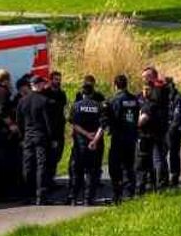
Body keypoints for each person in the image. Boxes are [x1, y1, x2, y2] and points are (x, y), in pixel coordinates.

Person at [13, 74, 58, 204]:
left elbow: (19, 121)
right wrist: (53, 138)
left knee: (27, 165)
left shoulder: (22, 101)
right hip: (41, 137)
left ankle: (27, 194)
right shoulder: (44, 101)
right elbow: (48, 122)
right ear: (39, 85)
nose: (44, 85)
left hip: (28, 136)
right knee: (41, 165)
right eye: (42, 83)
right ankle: (41, 195)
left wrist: (22, 136)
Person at [67, 75, 106, 205]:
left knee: (76, 171)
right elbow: (102, 126)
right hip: (94, 144)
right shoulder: (99, 106)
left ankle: (73, 198)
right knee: (91, 171)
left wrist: (86, 134)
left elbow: (74, 124)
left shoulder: (76, 106)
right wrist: (94, 140)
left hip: (80, 144)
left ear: (82, 94)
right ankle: (88, 199)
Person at [136, 67, 173, 193]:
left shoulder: (158, 91)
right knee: (154, 158)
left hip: (155, 130)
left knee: (157, 158)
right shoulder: (158, 90)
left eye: (145, 77)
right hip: (152, 131)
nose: (143, 80)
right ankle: (155, 183)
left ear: (152, 76)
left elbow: (148, 112)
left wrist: (136, 124)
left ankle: (160, 185)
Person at [105, 74, 140, 202]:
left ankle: (117, 194)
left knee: (115, 166)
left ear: (115, 85)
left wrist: (108, 128)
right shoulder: (134, 99)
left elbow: (111, 119)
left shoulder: (114, 100)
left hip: (118, 138)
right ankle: (129, 193)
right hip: (131, 137)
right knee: (129, 166)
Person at [43, 71, 69, 199]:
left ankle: (51, 180)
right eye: (56, 79)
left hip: (59, 129)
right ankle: (46, 182)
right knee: (49, 157)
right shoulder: (45, 93)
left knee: (57, 156)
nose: (58, 81)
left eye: (59, 79)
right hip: (49, 131)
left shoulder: (61, 94)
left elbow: (64, 108)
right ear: (50, 80)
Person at [166, 77, 181, 187]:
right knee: (162, 153)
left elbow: (178, 117)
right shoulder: (164, 97)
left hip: (175, 129)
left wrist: (171, 130)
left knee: (174, 152)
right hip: (165, 128)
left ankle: (175, 175)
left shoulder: (178, 98)